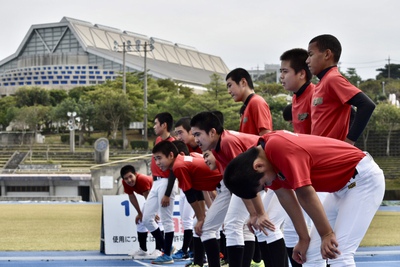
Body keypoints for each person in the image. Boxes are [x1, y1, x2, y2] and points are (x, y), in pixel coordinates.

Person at [223, 130, 385, 266]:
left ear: (258, 166)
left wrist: (326, 234)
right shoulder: (265, 160)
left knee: (338, 253)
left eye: (264, 184)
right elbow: (286, 197)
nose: (268, 186)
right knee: (311, 255)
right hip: (341, 188)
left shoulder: (277, 147)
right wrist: (303, 238)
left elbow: (305, 193)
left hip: (363, 180)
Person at [191, 111, 287, 267]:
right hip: (261, 180)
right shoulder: (218, 148)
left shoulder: (228, 142)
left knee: (265, 224)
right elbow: (237, 187)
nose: (195, 140)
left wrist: (257, 213)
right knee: (242, 225)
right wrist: (253, 213)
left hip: (273, 176)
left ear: (212, 132)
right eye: (193, 135)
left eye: (197, 134)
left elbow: (248, 180)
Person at [226, 68, 287, 267]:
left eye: (230, 85)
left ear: (243, 82)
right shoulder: (246, 107)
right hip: (251, 174)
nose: (229, 91)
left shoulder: (257, 102)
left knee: (244, 223)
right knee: (254, 225)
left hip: (259, 174)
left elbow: (266, 137)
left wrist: (263, 174)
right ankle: (258, 262)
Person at [152, 140, 223, 267]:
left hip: (227, 185)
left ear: (171, 155)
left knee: (211, 228)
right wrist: (201, 216)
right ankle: (200, 262)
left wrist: (202, 217)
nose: (157, 163)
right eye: (155, 159)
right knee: (202, 226)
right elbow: (197, 192)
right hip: (223, 186)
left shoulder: (179, 167)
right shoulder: (186, 159)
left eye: (159, 158)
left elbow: (191, 195)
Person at [280, 48, 316, 267]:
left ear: (302, 73)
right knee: (292, 232)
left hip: (318, 173)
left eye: (285, 71)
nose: (281, 77)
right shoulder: (295, 99)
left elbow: (351, 113)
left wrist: (346, 143)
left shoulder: (316, 94)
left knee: (316, 236)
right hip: (302, 172)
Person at [306, 34, 376, 145]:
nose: (307, 61)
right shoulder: (323, 82)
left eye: (310, 55)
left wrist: (348, 142)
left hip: (331, 154)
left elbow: (367, 105)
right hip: (320, 152)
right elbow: (351, 112)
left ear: (327, 54)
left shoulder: (332, 79)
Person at [142, 112, 178, 264]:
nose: (154, 126)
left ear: (164, 125)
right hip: (155, 182)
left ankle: (167, 255)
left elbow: (174, 170)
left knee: (166, 220)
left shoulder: (173, 143)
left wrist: (168, 194)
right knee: (146, 219)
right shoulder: (158, 140)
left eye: (156, 123)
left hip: (166, 182)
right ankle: (167, 247)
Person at [171, 118, 201, 260]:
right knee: (190, 220)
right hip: (193, 188)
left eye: (181, 133)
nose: (178, 137)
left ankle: (198, 254)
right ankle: (192, 252)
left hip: (209, 188)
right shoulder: (183, 148)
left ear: (191, 131)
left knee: (202, 222)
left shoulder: (204, 146)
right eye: (176, 133)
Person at [120, 165, 164, 260]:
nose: (129, 180)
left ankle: (159, 249)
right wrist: (139, 213)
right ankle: (143, 250)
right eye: (126, 178)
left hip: (161, 196)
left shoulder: (142, 179)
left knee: (157, 221)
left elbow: (148, 197)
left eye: (131, 176)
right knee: (140, 221)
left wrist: (153, 212)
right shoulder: (125, 183)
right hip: (151, 198)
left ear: (135, 174)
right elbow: (132, 197)